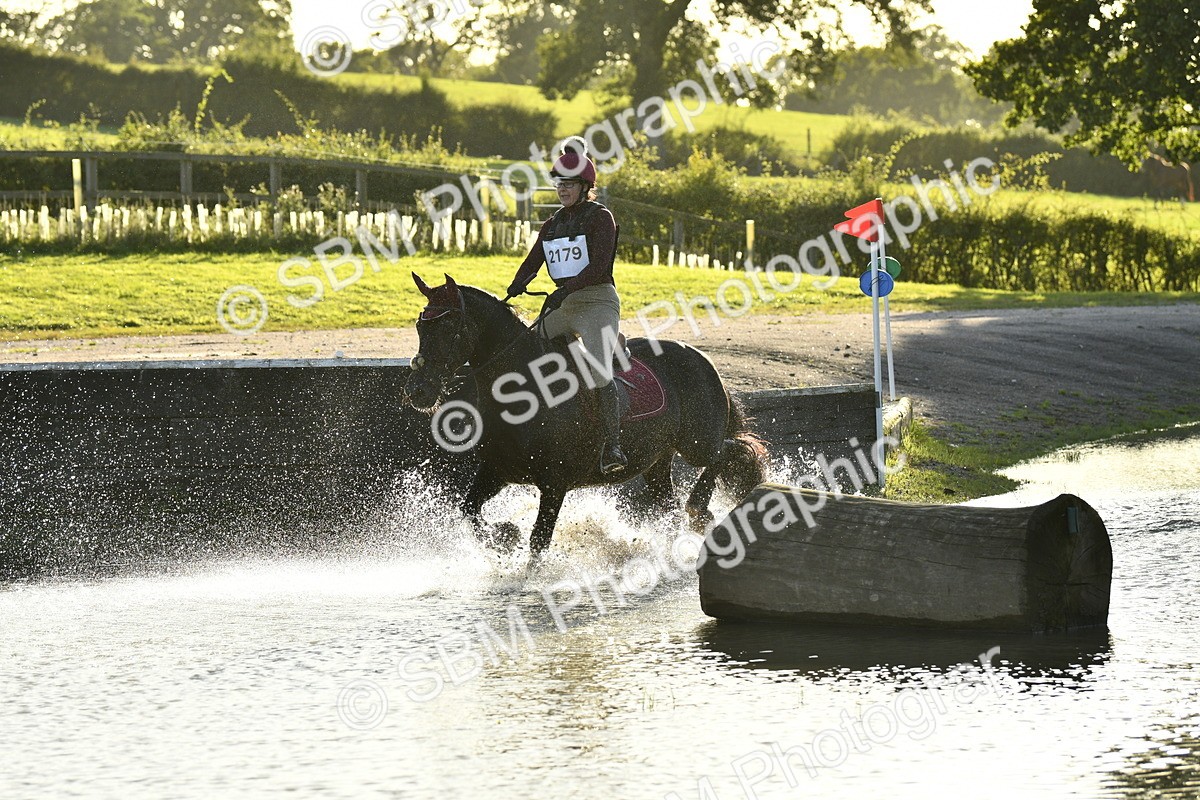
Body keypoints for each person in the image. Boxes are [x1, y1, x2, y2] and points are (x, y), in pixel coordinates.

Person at [506, 137, 627, 475]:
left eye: (569, 184)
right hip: (566, 302)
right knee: (527, 343)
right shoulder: (554, 223)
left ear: (585, 186)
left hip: (598, 301)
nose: (562, 189)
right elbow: (534, 260)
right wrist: (518, 284)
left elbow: (599, 266)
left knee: (601, 371)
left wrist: (565, 291)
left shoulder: (601, 217)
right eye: (559, 183)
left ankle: (612, 446)